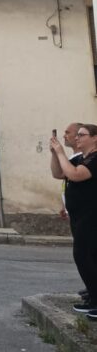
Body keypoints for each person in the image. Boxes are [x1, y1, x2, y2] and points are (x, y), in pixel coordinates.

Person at [50, 123, 97, 318]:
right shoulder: (79, 158)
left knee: (86, 256)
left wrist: (61, 152)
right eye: (76, 135)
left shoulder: (95, 159)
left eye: (82, 135)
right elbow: (58, 173)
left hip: (92, 216)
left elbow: (75, 175)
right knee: (85, 257)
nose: (77, 138)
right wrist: (54, 153)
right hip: (78, 217)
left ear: (95, 138)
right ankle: (93, 297)